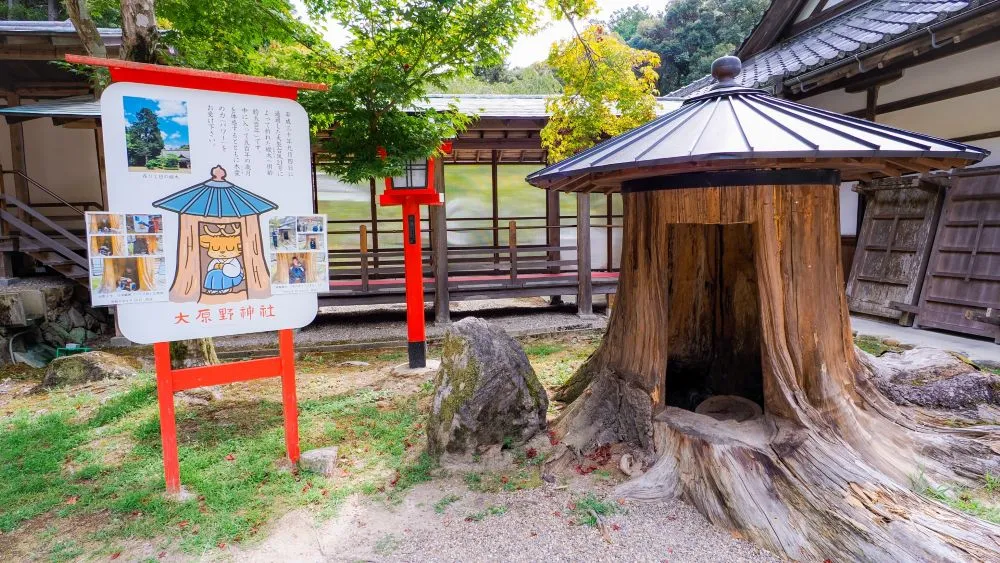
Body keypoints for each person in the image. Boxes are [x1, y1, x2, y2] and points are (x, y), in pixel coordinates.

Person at [199, 227, 244, 294]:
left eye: (229, 249)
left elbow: (235, 272)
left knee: (220, 275)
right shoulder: (216, 260)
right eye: (216, 249)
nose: (222, 252)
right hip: (218, 275)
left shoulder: (233, 260)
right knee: (212, 273)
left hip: (233, 277)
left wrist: (223, 267)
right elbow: (210, 269)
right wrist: (215, 268)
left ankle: (225, 289)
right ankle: (213, 289)